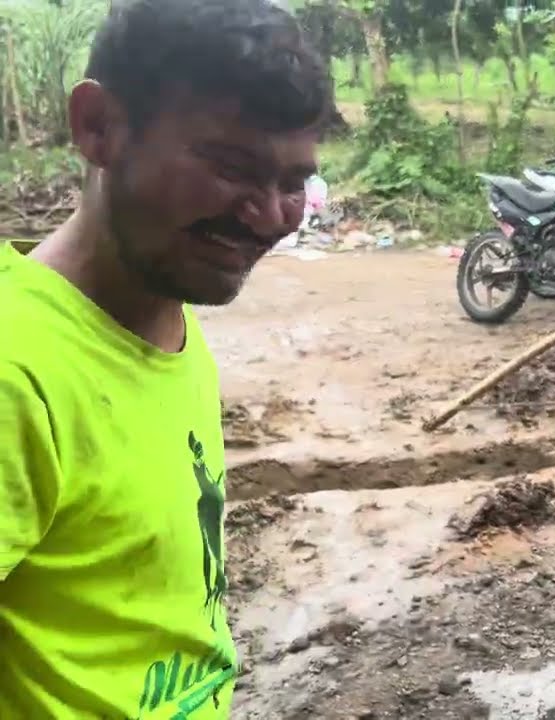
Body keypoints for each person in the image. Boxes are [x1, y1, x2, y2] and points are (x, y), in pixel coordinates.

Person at [0, 0, 329, 717]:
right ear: (99, 128)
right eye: (229, 166)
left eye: (294, 182)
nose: (271, 215)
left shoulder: (165, 314)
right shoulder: (16, 372)